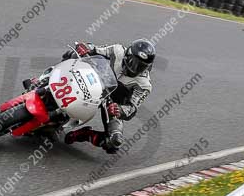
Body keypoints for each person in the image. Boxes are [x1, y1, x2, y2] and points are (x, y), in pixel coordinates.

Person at [25, 39, 155, 153]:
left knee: (114, 142)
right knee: (71, 55)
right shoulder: (117, 50)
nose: (135, 68)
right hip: (93, 80)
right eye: (133, 62)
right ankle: (42, 81)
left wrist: (119, 110)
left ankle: (84, 134)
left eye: (141, 66)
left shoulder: (144, 85)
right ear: (127, 54)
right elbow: (97, 49)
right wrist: (86, 47)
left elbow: (132, 108)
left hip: (112, 102)